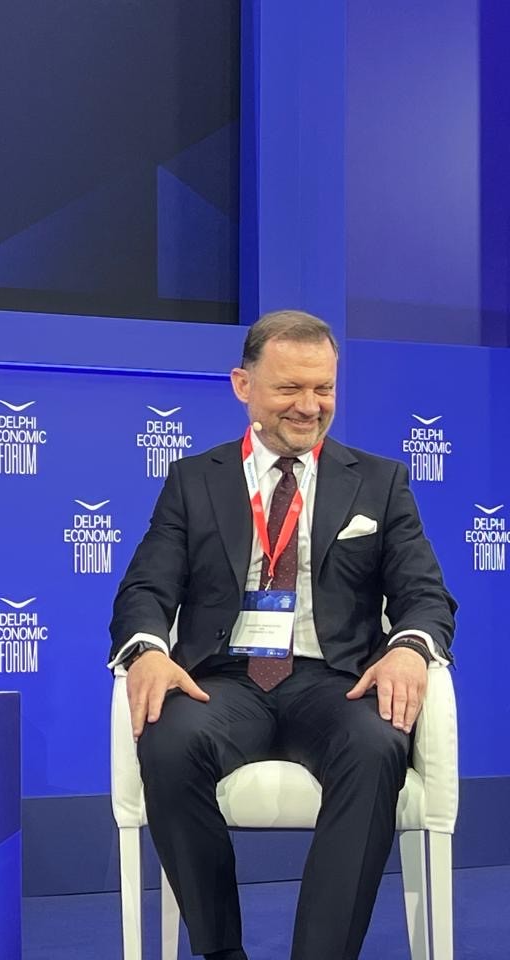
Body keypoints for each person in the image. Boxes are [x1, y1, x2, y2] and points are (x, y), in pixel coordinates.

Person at [109, 310, 456, 960]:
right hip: (225, 682)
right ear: (243, 385)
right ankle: (222, 951)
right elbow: (145, 589)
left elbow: (425, 595)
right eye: (289, 388)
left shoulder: (380, 482)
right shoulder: (194, 480)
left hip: (335, 682)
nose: (309, 406)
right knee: (167, 741)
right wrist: (149, 651)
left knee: (378, 745)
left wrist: (409, 648)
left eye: (323, 388)